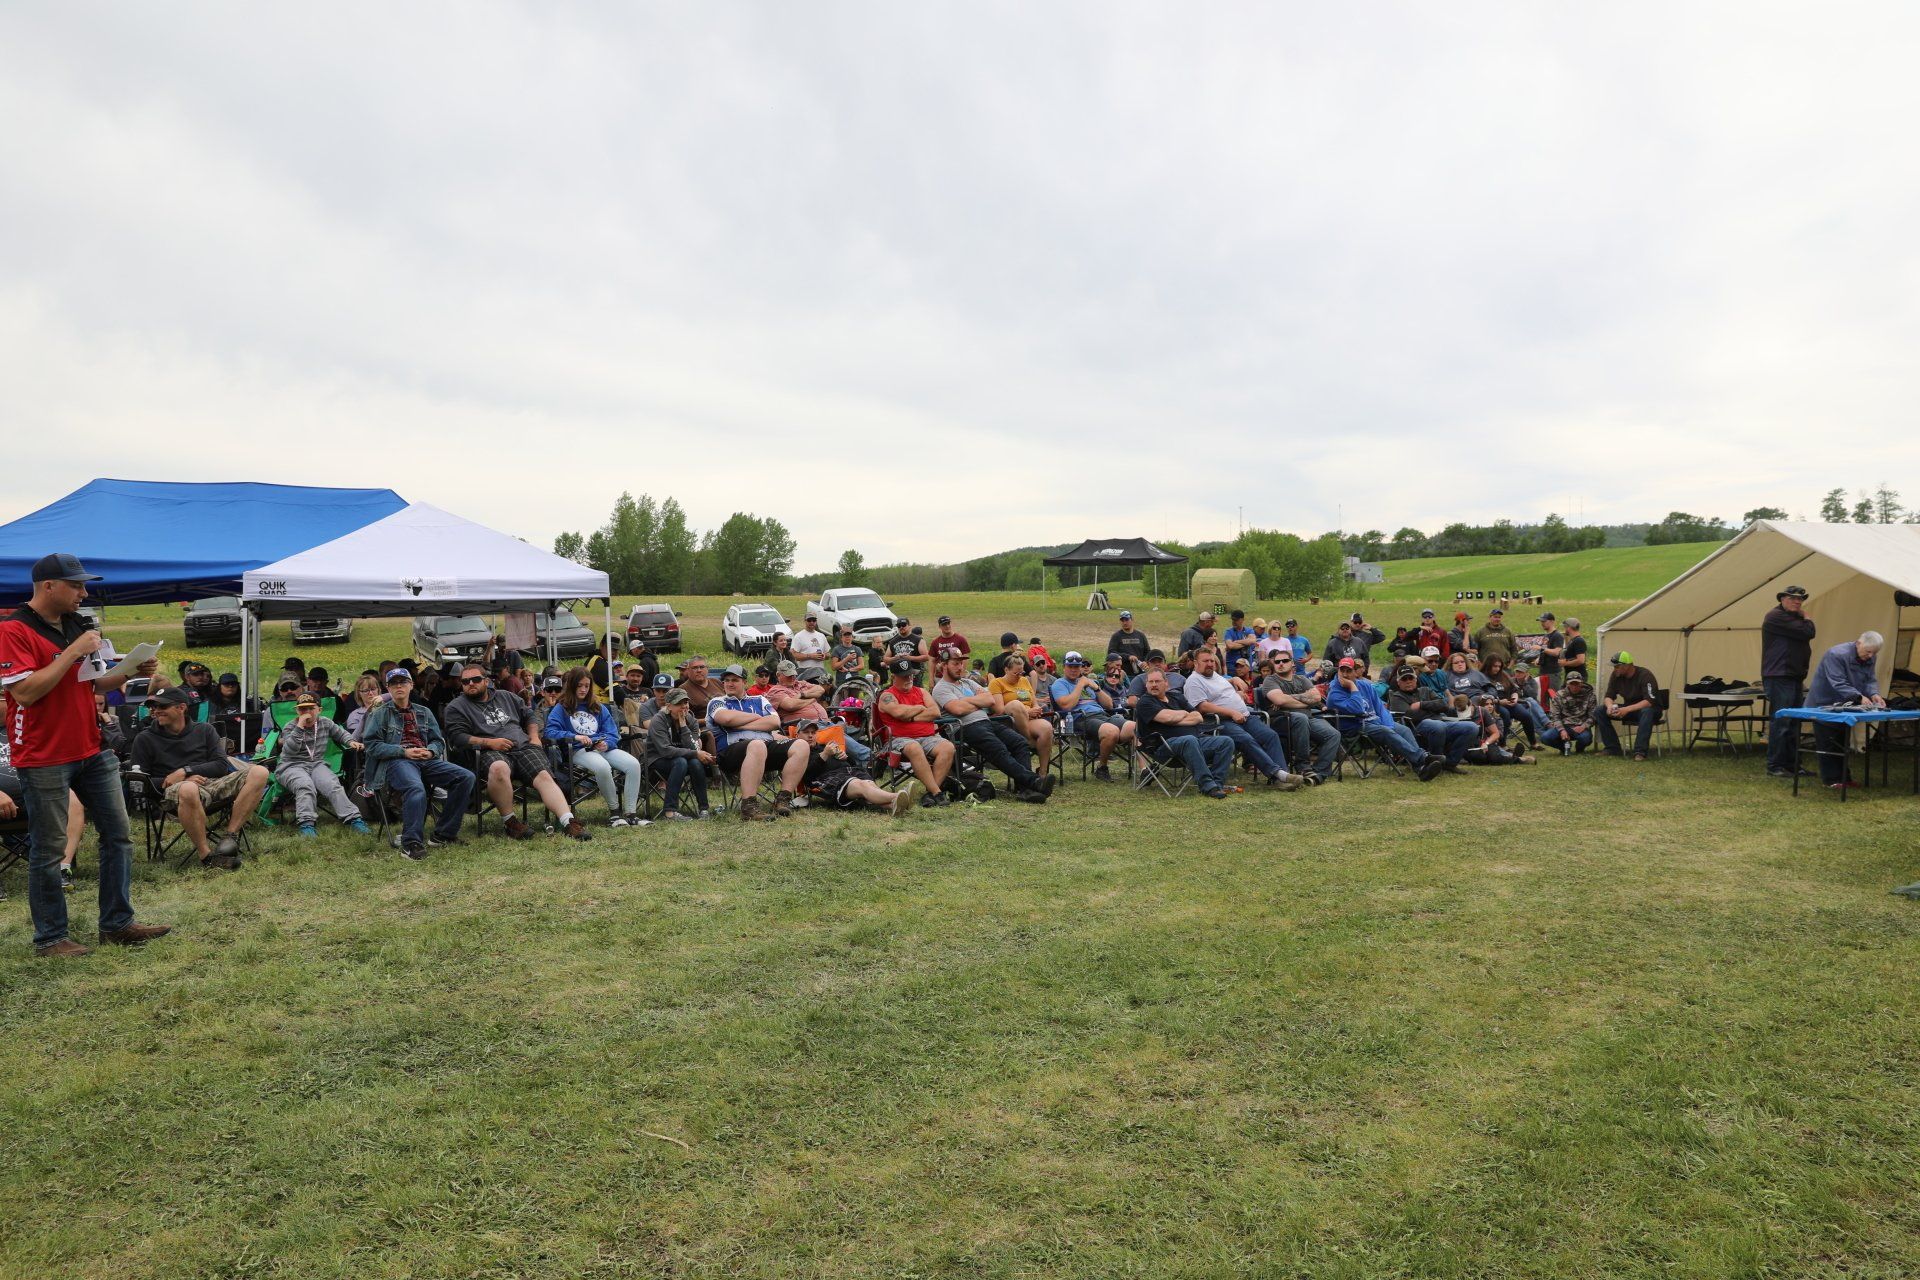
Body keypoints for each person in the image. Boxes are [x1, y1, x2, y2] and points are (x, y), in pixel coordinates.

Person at [1, 554, 170, 957]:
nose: (84, 592)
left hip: (91, 748)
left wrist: (132, 669)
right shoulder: (13, 630)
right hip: (43, 754)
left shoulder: (79, 625)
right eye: (76, 585)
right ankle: (51, 939)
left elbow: (95, 686)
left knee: (119, 834)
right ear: (48, 586)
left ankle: (117, 923)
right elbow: (25, 692)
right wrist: (73, 650)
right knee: (48, 848)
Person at [443, 663, 592, 840]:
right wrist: (490, 743)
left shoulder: (506, 696)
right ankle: (511, 822)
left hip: (523, 746)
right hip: (488, 751)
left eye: (475, 679)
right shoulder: (456, 707)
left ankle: (569, 822)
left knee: (543, 775)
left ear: (486, 681)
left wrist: (535, 737)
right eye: (465, 681)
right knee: (499, 768)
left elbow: (529, 715)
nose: (470, 684)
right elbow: (457, 737)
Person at [131, 686, 272, 868]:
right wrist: (180, 780)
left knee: (260, 772)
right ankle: (207, 857)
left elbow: (221, 765)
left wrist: (185, 771)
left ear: (181, 708)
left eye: (162, 707)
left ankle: (229, 837)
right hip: (173, 793)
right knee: (188, 789)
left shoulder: (204, 730)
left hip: (211, 783)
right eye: (152, 707)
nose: (156, 711)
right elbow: (139, 781)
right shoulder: (145, 739)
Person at [359, 668, 475, 859]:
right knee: (416, 787)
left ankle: (443, 834)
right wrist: (404, 752)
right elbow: (371, 746)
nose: (399, 686)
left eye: (403, 682)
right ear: (387, 688)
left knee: (465, 777)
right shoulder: (379, 714)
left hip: (425, 759)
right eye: (394, 683)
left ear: (411, 685)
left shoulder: (424, 711)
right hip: (397, 761)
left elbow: (439, 740)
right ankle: (411, 842)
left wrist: (430, 751)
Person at [931, 653, 1052, 802]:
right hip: (964, 728)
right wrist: (976, 702)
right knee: (999, 748)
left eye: (961, 663)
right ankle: (1034, 782)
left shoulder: (968, 683)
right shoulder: (940, 688)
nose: (960, 667)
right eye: (955, 663)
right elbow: (957, 710)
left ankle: (1025, 790)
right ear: (944, 666)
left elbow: (990, 700)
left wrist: (966, 701)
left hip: (987, 722)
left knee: (1020, 742)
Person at [1182, 648, 1304, 789]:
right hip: (1219, 722)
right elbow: (1202, 706)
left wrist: (1235, 684)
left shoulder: (1215, 676)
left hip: (1245, 716)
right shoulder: (1193, 681)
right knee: (1246, 740)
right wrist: (1231, 712)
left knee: (1270, 735)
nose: (1210, 664)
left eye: (1211, 660)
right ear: (1196, 663)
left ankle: (1281, 778)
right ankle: (1278, 775)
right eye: (1205, 661)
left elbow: (1229, 692)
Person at [708, 663, 813, 820]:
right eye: (727, 680)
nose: (729, 683)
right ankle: (749, 807)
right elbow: (726, 718)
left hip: (763, 747)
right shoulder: (718, 702)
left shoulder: (760, 700)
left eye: (735, 680)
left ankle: (783, 799)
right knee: (757, 745)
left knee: (801, 745)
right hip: (731, 752)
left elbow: (774, 722)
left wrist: (738, 723)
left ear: (744, 682)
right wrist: (759, 718)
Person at [546, 667, 646, 827]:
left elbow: (613, 732)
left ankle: (631, 814)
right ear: (571, 685)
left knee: (633, 764)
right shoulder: (562, 707)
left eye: (586, 686)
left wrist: (607, 743)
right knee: (602, 766)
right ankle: (614, 813)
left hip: (603, 747)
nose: (583, 689)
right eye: (579, 686)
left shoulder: (598, 707)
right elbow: (550, 732)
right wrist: (575, 736)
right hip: (579, 750)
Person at [1324, 658, 1445, 781]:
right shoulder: (1334, 693)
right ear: (1338, 671)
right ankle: (1423, 758)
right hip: (1355, 728)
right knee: (1385, 731)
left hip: (1374, 723)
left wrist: (1388, 724)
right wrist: (1352, 686)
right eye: (1342, 670)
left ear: (1355, 672)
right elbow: (1358, 709)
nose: (1345, 674)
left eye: (1348, 670)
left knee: (1403, 730)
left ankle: (1420, 768)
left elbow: (1379, 707)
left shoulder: (1365, 685)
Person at [274, 692, 372, 837]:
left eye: (310, 708)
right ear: (297, 711)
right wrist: (300, 727)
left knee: (333, 784)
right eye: (302, 709)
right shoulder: (291, 727)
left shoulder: (325, 722)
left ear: (319, 710)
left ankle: (353, 818)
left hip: (316, 764)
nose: (306, 713)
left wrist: (351, 741)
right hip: (291, 766)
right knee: (304, 785)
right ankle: (306, 824)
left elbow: (341, 734)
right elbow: (290, 749)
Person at [1132, 668, 1239, 798]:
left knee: (1225, 742)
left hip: (1194, 743)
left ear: (1166, 683)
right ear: (1146, 684)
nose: (1154, 684)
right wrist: (1183, 713)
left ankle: (1217, 784)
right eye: (1151, 682)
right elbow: (1167, 718)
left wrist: (1174, 719)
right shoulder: (1145, 702)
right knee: (1188, 740)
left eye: (1158, 681)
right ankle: (1207, 786)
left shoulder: (1176, 697)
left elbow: (1198, 717)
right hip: (1163, 748)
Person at [1806, 632, 1886, 789]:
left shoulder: (1871, 656)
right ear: (1858, 643)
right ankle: (1831, 780)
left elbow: (1870, 679)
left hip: (1845, 704)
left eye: (1874, 653)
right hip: (1823, 703)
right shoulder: (1835, 654)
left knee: (1842, 741)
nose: (1870, 656)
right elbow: (1838, 681)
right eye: (1868, 651)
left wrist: (1874, 693)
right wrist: (1859, 696)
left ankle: (1844, 778)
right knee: (1828, 742)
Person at [874, 657, 956, 803]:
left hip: (928, 736)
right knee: (914, 747)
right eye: (904, 676)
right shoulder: (886, 695)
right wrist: (919, 708)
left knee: (948, 747)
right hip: (898, 740)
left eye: (911, 674)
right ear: (893, 676)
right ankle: (937, 793)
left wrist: (911, 717)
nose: (909, 678)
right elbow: (899, 713)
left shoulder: (922, 692)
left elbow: (935, 712)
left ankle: (930, 794)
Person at [1257, 650, 1342, 783]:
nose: (1280, 664)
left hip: (1308, 718)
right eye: (1277, 661)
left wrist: (1288, 698)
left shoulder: (1302, 679)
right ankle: (1303, 767)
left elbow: (1316, 697)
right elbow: (1279, 700)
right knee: (1300, 718)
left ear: (1292, 663)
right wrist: (1305, 702)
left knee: (1333, 734)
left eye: (1284, 661)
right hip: (1281, 719)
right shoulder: (1270, 680)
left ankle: (1318, 773)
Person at [1050, 651, 1136, 780]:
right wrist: (1080, 685)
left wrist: (1096, 688)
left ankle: (1145, 769)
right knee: (1111, 731)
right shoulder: (1060, 683)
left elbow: (1109, 706)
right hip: (1080, 718)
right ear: (1064, 667)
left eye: (1077, 667)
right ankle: (1102, 767)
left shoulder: (1089, 682)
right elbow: (1066, 706)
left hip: (1102, 715)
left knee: (1135, 727)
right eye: (1070, 667)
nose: (1074, 670)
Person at [1760, 586, 1815, 778]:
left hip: (1793, 676)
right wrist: (1807, 617)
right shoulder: (1776, 617)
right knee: (1781, 722)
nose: (1797, 602)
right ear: (1782, 599)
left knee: (1794, 723)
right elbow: (1809, 632)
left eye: (1800, 600)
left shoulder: (1792, 618)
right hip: (1779, 676)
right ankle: (1775, 765)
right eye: (1792, 598)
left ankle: (1793, 765)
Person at [1385, 666, 1477, 771]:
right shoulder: (1396, 696)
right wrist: (1433, 708)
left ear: (1415, 680)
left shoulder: (1426, 690)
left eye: (1410, 678)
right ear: (1398, 682)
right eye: (1404, 679)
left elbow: (1444, 704)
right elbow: (1409, 715)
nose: (1408, 681)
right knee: (1437, 726)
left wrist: (1421, 704)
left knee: (1472, 727)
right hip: (1416, 727)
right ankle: (1435, 762)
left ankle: (1450, 763)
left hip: (1441, 721)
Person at [644, 689, 715, 819]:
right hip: (656, 760)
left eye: (686, 702)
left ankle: (704, 809)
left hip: (681, 759)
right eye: (679, 704)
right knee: (681, 761)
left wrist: (683, 727)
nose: (684, 707)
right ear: (669, 706)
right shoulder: (658, 720)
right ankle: (670, 811)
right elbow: (665, 750)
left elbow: (693, 747)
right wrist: (694, 753)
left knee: (694, 762)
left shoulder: (691, 720)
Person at [1596, 651, 1661, 761]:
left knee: (1647, 711)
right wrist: (1609, 706)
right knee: (1599, 710)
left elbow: (1649, 701)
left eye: (1617, 667)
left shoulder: (1645, 675)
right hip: (1629, 710)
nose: (1614, 669)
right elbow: (1609, 696)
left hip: (1649, 710)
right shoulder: (1616, 675)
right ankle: (1613, 748)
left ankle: (1640, 752)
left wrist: (1626, 709)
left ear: (1626, 666)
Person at [1542, 668, 1596, 754]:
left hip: (1581, 725)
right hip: (1564, 725)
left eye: (1577, 683)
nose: (1574, 686)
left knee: (1586, 738)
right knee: (1545, 737)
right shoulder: (1559, 695)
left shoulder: (1590, 695)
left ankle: (1579, 749)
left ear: (1581, 683)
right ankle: (1564, 747)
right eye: (1572, 683)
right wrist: (1561, 730)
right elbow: (1555, 716)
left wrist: (1584, 726)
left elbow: (1593, 716)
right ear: (1567, 684)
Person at [790, 611, 831, 685]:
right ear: (805, 621)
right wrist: (810, 656)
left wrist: (824, 656)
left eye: (814, 620)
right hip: (805, 672)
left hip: (820, 671)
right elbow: (794, 655)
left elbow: (828, 654)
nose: (812, 622)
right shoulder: (798, 636)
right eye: (809, 620)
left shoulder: (821, 636)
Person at [1107, 610, 1152, 675]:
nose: (1125, 623)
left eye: (1127, 620)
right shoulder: (1116, 636)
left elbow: (1148, 652)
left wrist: (1146, 661)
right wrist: (1128, 657)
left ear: (1132, 620)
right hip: (1123, 674)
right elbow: (1111, 653)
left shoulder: (1140, 635)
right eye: (1122, 621)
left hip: (1141, 673)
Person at [344, 673, 384, 737]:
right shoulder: (355, 715)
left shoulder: (389, 708)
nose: (370, 693)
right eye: (366, 690)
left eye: (373, 689)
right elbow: (355, 738)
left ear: (378, 689)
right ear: (359, 693)